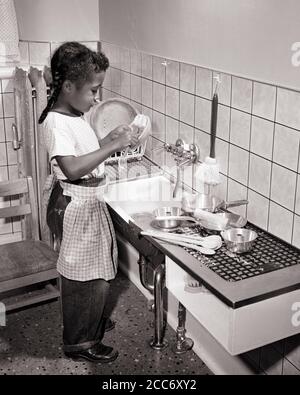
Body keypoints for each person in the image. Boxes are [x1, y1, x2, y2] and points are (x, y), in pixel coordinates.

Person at [40, 41, 138, 363]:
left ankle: (90, 317)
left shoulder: (74, 114)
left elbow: (82, 151)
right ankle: (81, 342)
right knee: (84, 276)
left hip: (83, 203)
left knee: (95, 271)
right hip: (75, 205)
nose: (96, 98)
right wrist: (111, 148)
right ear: (68, 86)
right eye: (93, 91)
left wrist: (106, 140)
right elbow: (71, 168)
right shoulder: (56, 122)